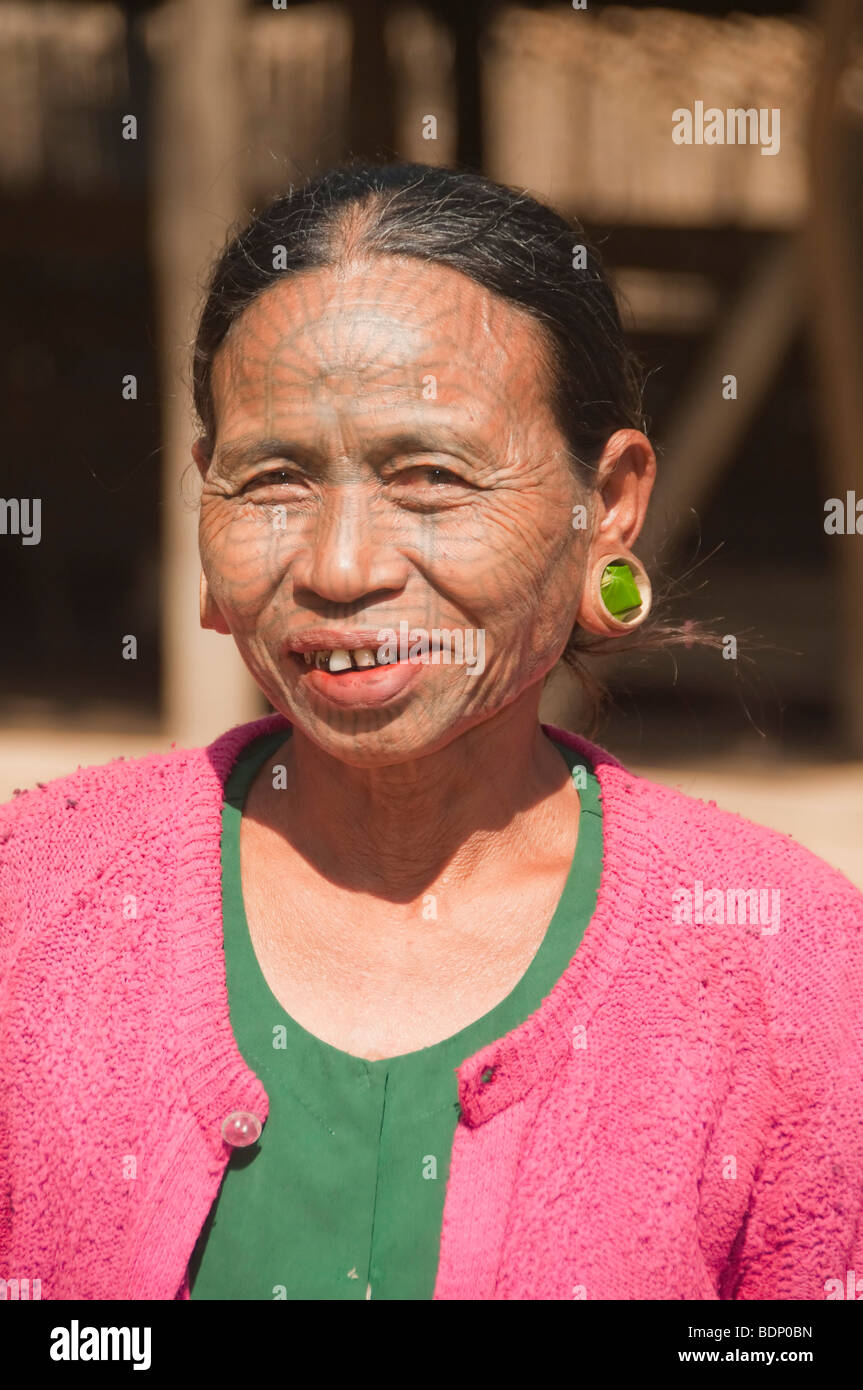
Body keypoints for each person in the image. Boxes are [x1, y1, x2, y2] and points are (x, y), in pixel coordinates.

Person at [2, 162, 861, 1302]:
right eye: (270, 482)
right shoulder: (36, 910)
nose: (340, 567)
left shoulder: (787, 974)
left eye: (430, 478)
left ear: (605, 501)